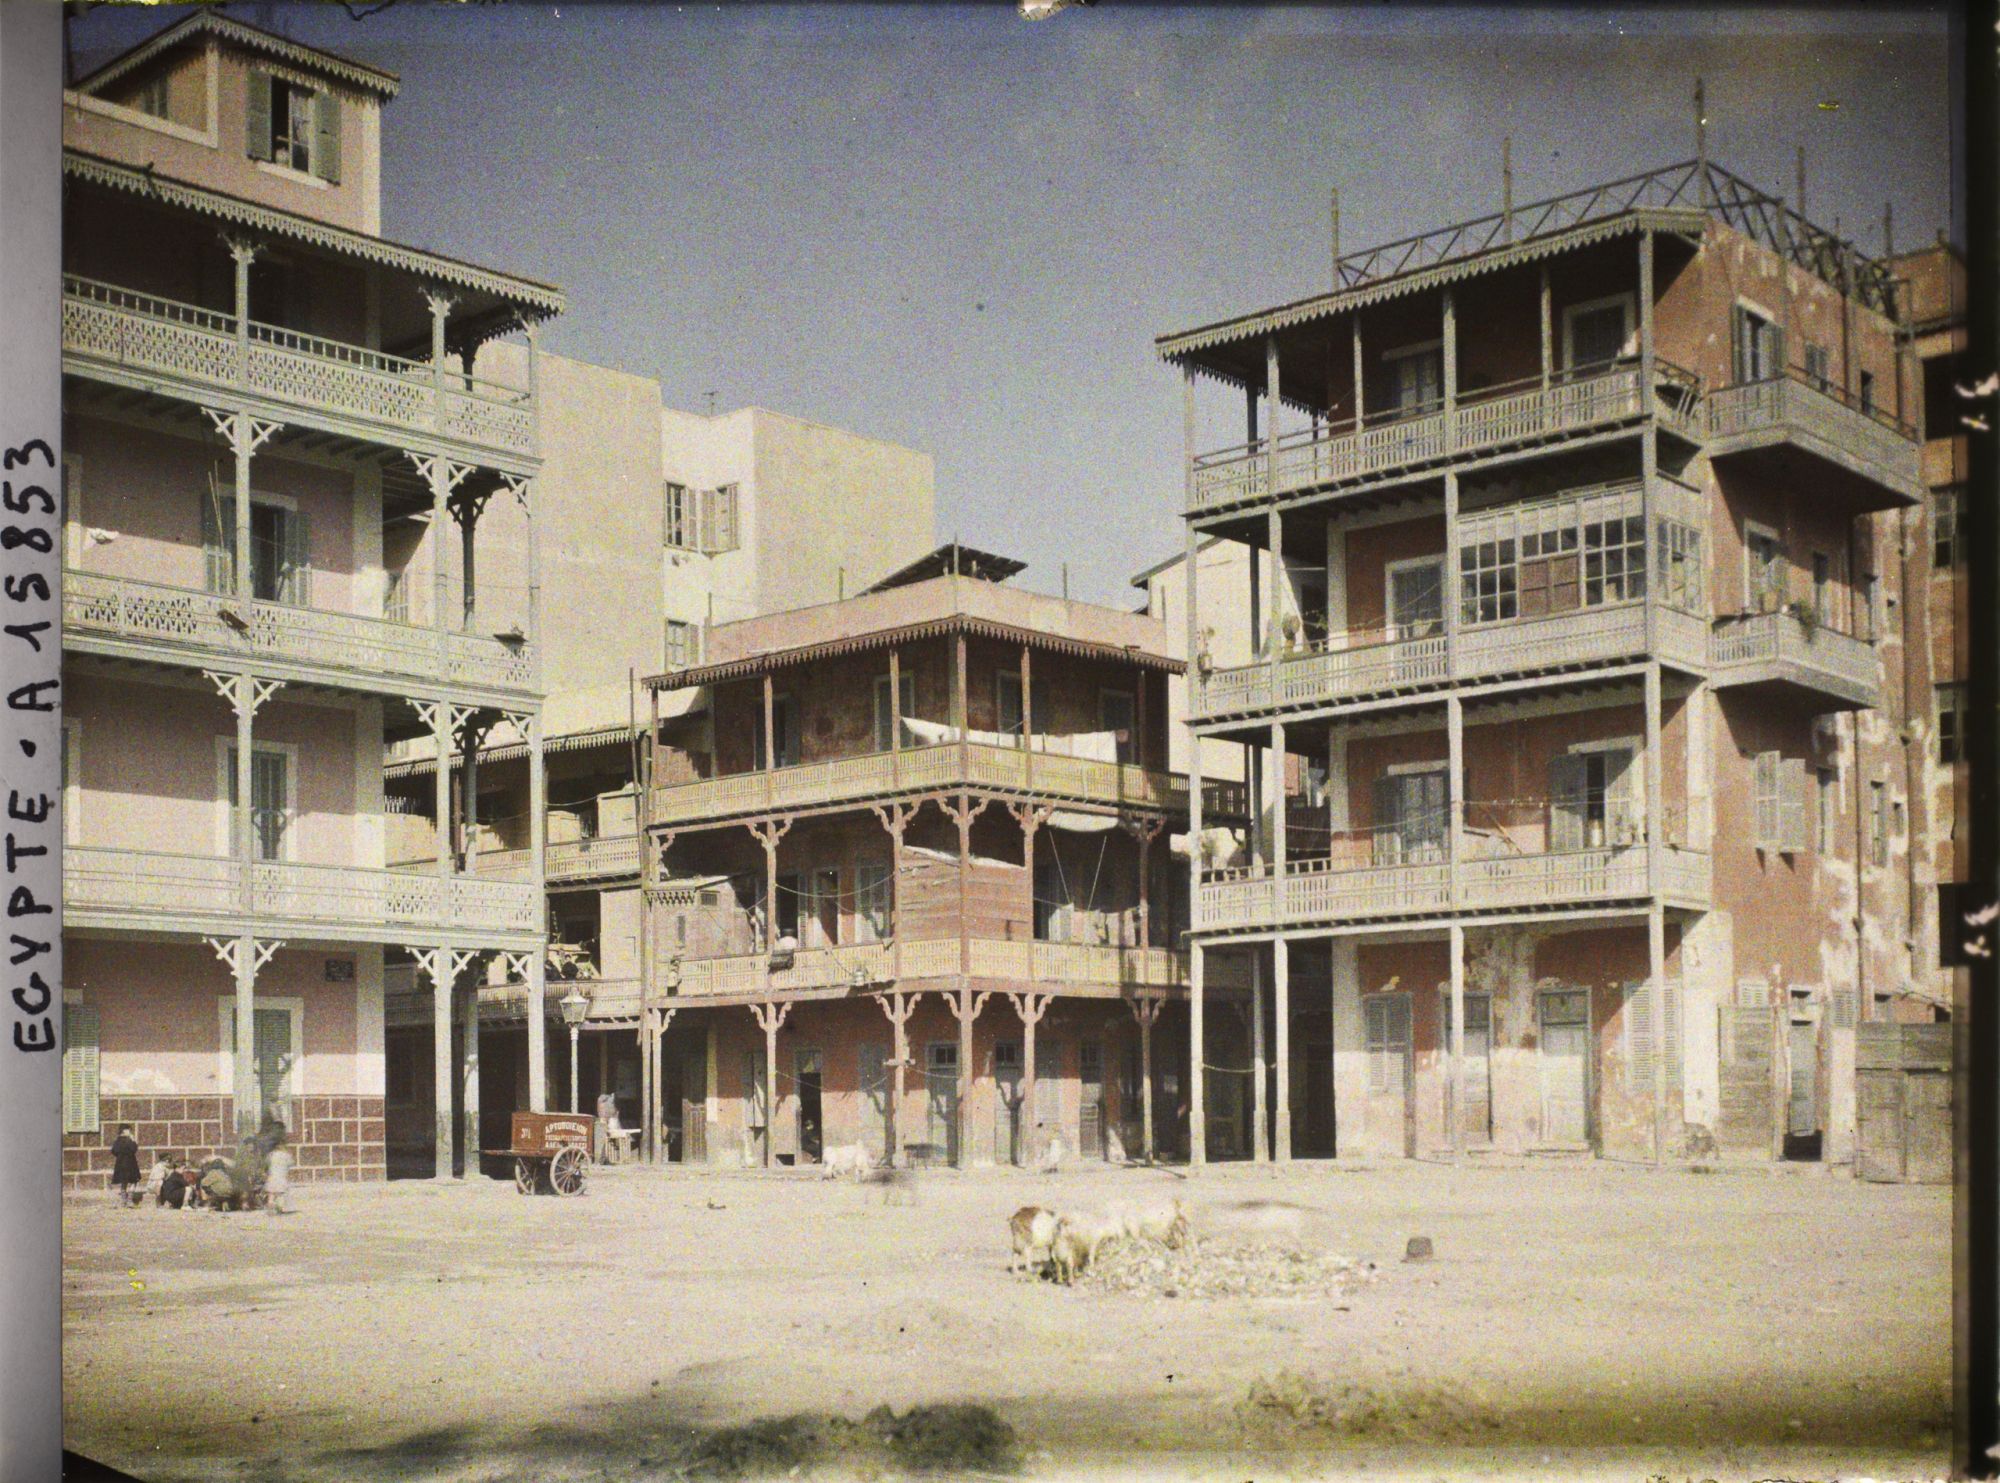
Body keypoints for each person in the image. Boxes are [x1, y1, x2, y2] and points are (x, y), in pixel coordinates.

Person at [109, 1125, 142, 1208]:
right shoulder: (129, 1140)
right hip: (131, 1163)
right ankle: (130, 1200)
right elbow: (134, 1149)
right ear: (124, 1131)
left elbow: (113, 1151)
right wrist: (133, 1140)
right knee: (133, 1181)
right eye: (128, 1130)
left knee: (124, 1182)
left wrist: (120, 1155)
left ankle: (123, 1201)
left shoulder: (117, 1140)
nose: (130, 1131)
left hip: (120, 1163)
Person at [263, 1132, 294, 1217]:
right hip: (282, 1177)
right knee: (280, 1194)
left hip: (272, 1177)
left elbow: (266, 1164)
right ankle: (278, 1208)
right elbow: (290, 1164)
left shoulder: (271, 1154)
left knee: (271, 1194)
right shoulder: (286, 1155)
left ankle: (270, 1206)